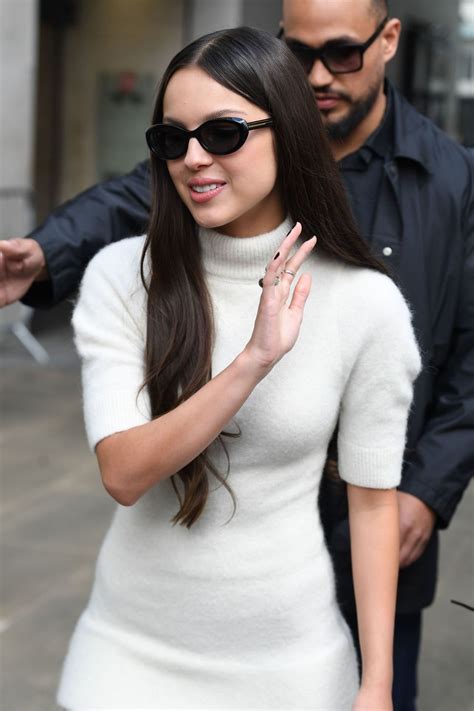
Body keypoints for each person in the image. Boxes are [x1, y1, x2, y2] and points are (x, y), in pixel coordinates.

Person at [0, 1, 472, 709]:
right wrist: (252, 358)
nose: (195, 157)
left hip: (297, 650)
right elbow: (124, 471)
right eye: (173, 137)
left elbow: (384, 488)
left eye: (223, 134)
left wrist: (376, 683)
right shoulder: (125, 274)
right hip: (126, 655)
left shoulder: (381, 281)